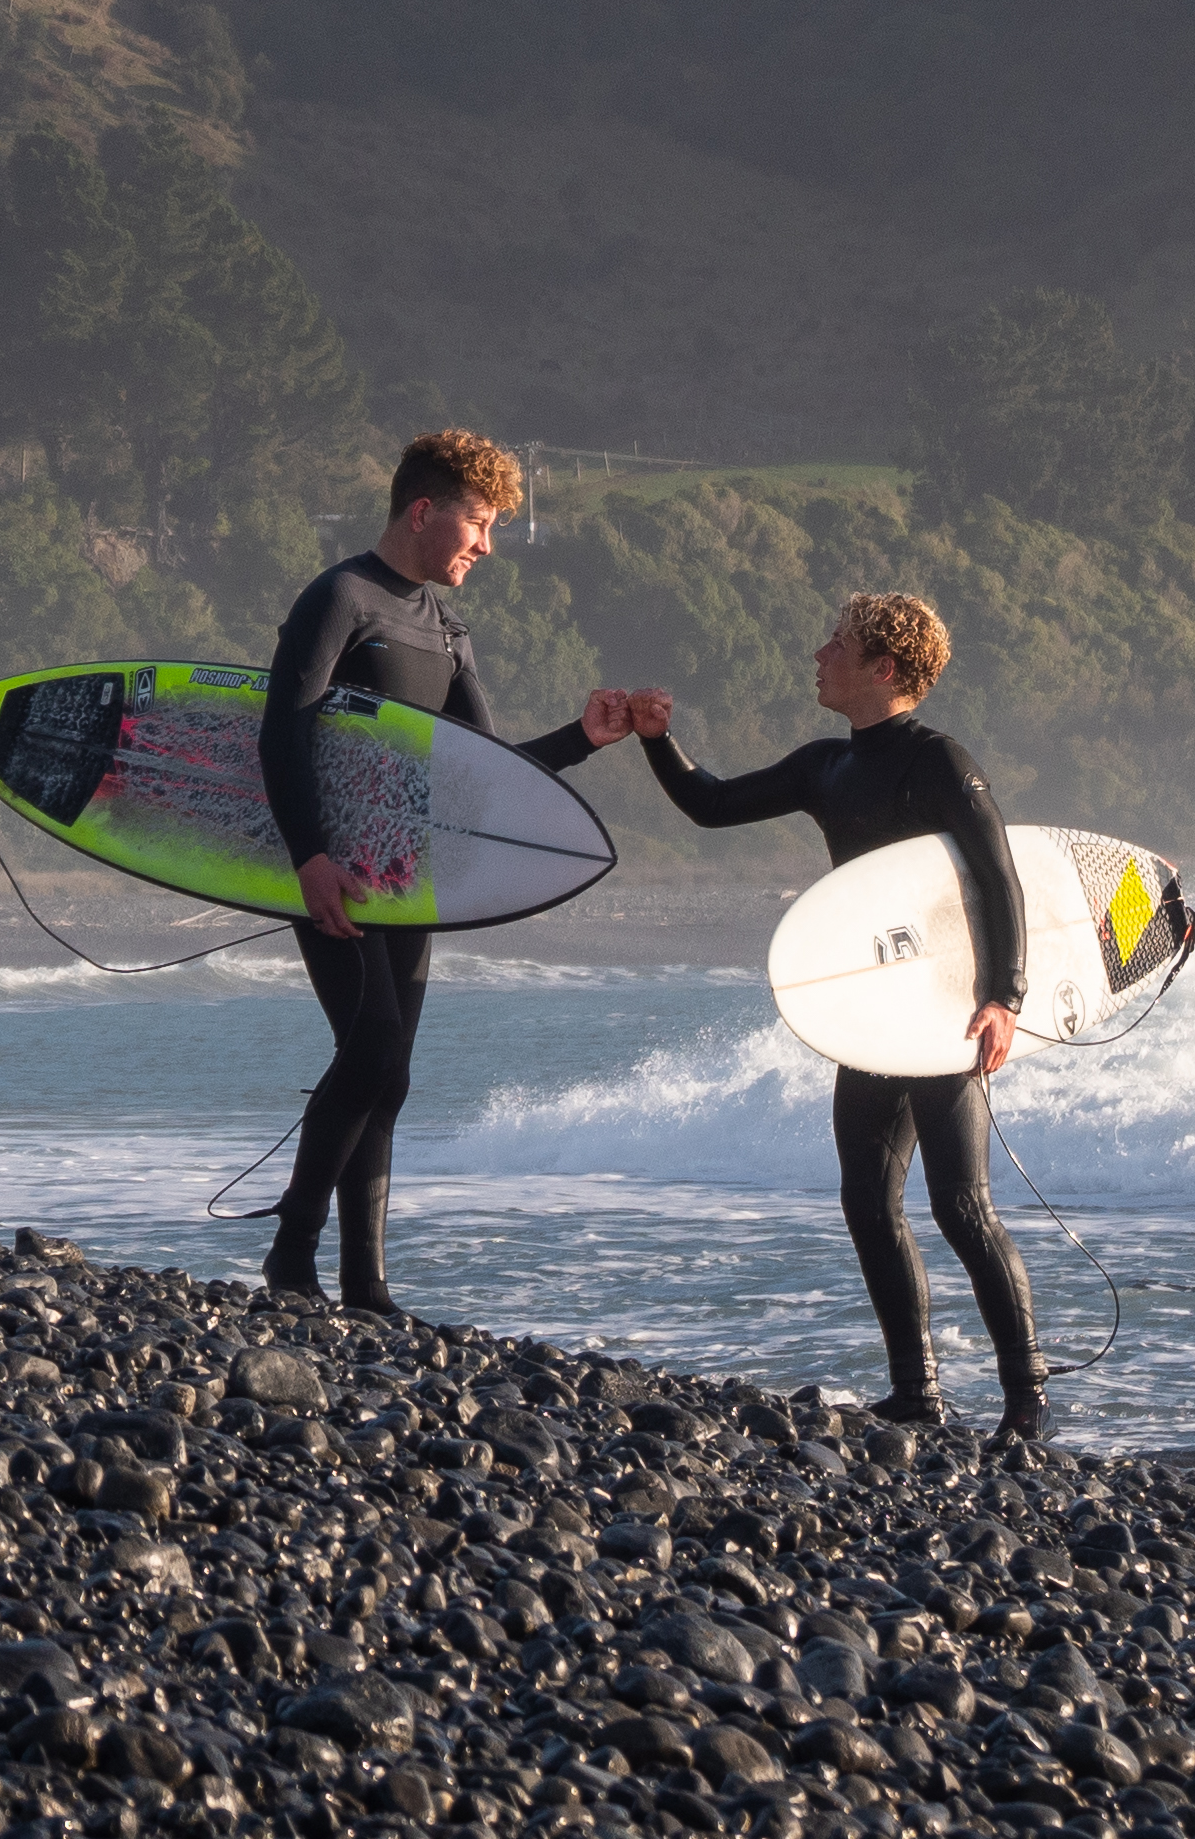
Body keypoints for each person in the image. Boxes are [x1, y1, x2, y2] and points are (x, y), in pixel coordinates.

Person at [257, 429, 659, 1318]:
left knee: (389, 1070)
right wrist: (310, 858)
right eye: (479, 525)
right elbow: (281, 733)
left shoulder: (444, 624)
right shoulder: (339, 598)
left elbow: (482, 769)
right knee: (367, 1050)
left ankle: (367, 1283)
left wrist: (583, 739)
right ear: (423, 510)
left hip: (411, 876)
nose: (487, 546)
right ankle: (290, 1253)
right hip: (336, 870)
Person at [639, 590, 1047, 1439]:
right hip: (874, 1018)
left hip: (944, 1017)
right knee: (868, 1201)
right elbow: (711, 805)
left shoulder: (939, 762)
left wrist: (1004, 997)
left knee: (961, 1207)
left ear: (883, 668)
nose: (818, 654)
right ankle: (917, 1392)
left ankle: (1027, 1399)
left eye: (837, 644)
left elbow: (1001, 878)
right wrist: (655, 738)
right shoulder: (826, 765)